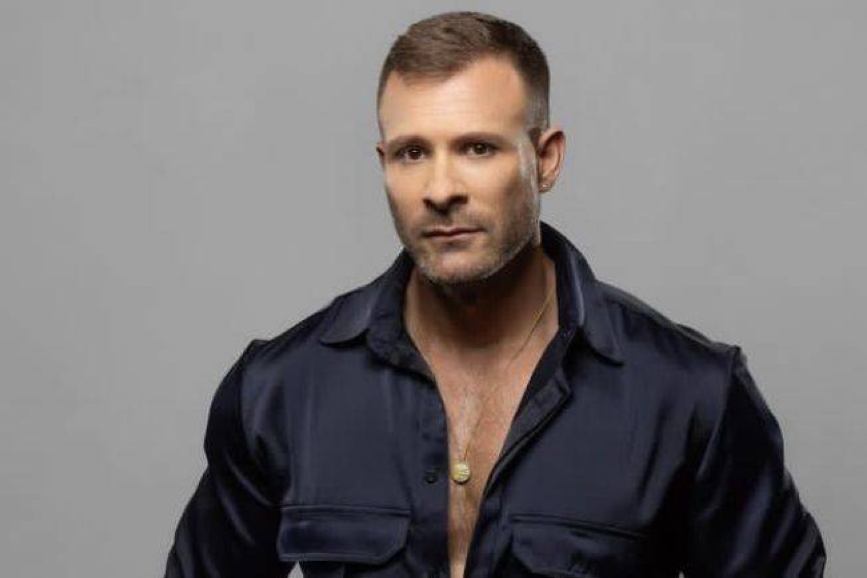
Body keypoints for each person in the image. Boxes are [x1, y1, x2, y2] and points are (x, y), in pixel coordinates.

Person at [163, 10, 825, 578]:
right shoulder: (280, 389)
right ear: (384, 164)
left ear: (546, 158)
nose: (440, 189)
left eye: (477, 148)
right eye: (412, 153)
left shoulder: (690, 394)